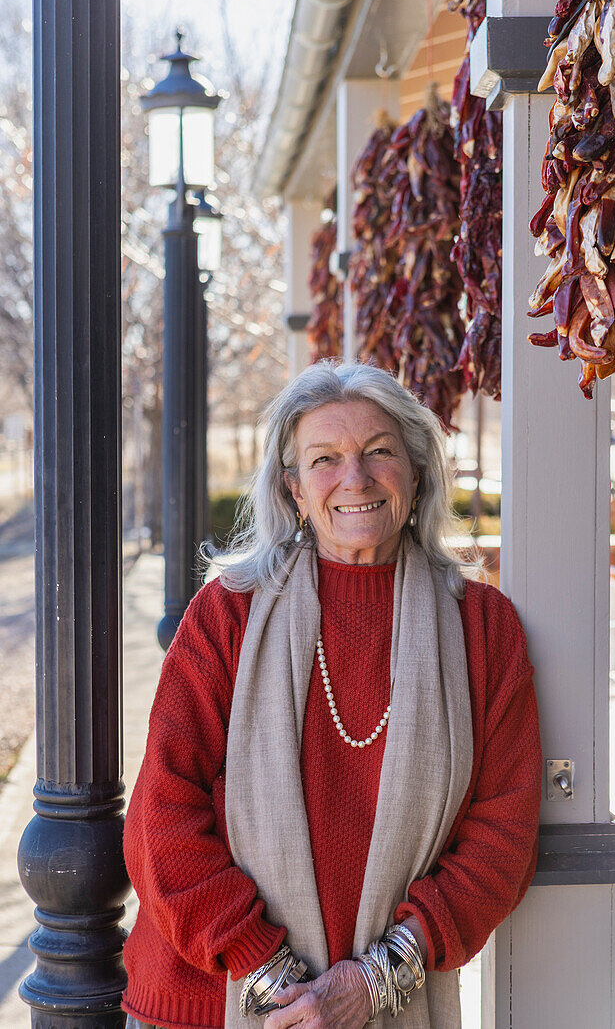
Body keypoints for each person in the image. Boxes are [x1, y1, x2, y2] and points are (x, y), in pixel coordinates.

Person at [122, 361, 542, 1029]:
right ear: (291, 488)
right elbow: (162, 814)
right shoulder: (226, 615)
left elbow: (504, 832)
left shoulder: (483, 629)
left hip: (392, 998)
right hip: (209, 995)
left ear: (417, 470)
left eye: (380, 451)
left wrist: (376, 981)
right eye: (325, 459)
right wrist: (271, 977)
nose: (355, 478)